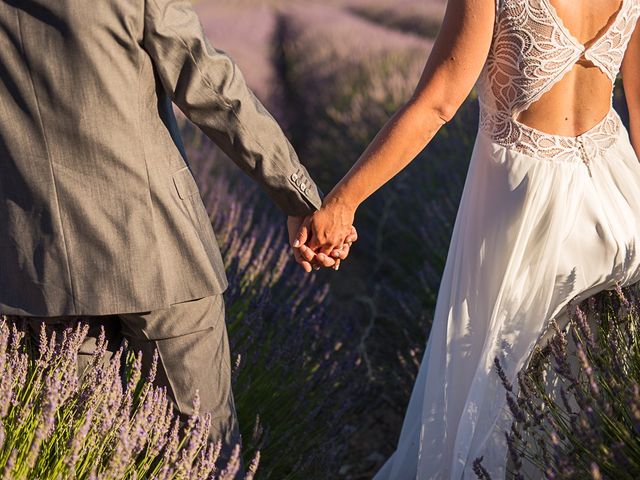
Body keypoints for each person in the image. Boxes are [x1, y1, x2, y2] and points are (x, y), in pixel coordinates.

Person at [293, 0, 640, 477]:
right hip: (620, 201)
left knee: (495, 401)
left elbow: (438, 103)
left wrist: (342, 202)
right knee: (593, 400)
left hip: (527, 218)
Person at [0, 0, 356, 465]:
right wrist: (302, 199)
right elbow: (211, 87)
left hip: (35, 269)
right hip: (155, 249)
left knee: (75, 455)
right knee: (199, 453)